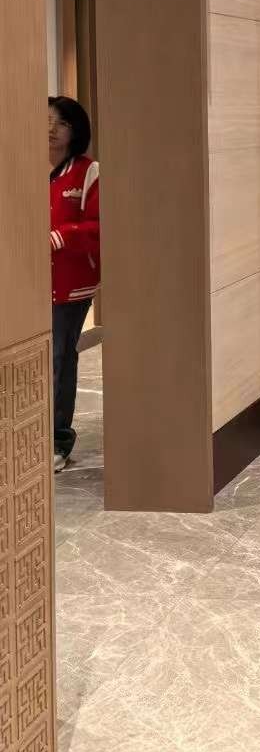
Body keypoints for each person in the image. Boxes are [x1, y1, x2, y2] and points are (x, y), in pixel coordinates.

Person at [48, 96, 100, 472]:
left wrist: (61, 236)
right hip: (26, 282)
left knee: (59, 358)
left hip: (70, 284)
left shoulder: (87, 172)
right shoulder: (24, 166)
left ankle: (57, 440)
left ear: (75, 130)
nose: (51, 129)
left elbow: (100, 226)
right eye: (46, 121)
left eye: (61, 123)